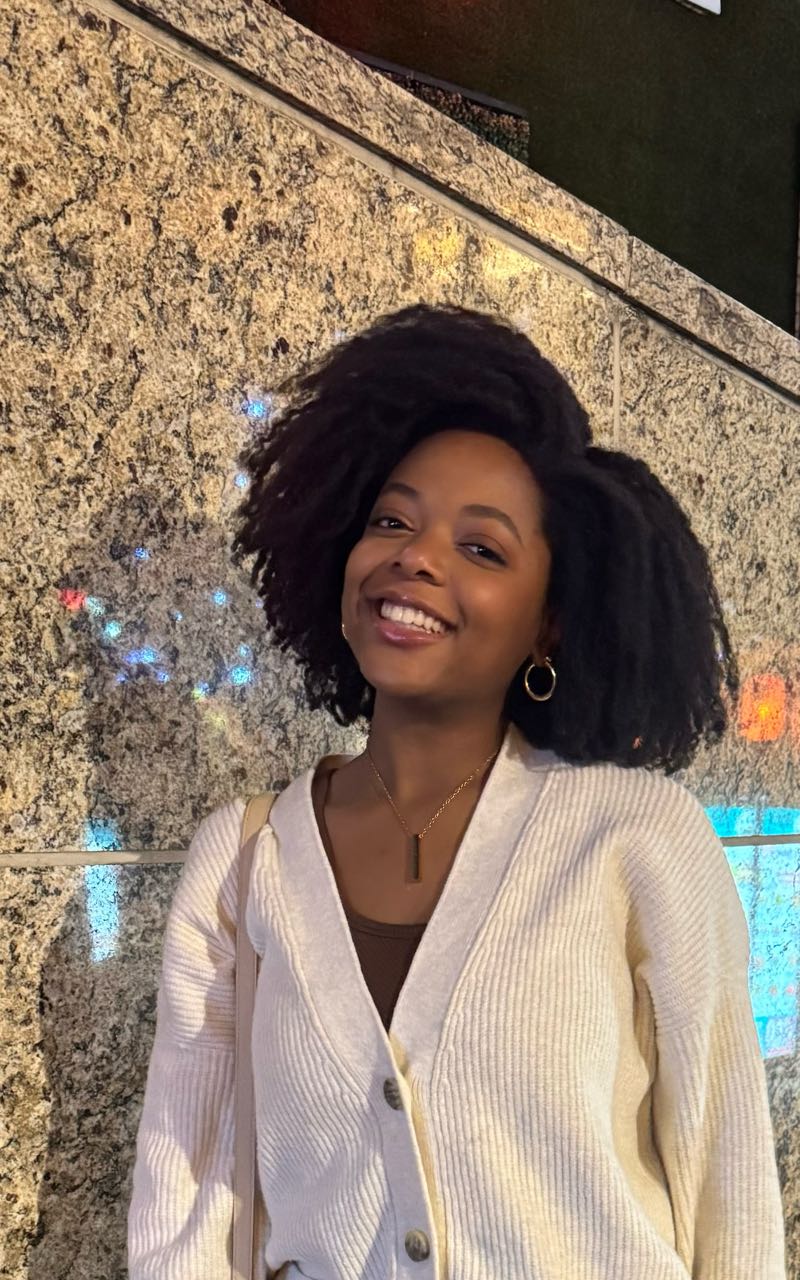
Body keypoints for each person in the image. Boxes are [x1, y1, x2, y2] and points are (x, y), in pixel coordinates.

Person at [128, 303, 786, 1279]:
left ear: (549, 621)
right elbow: (187, 1205)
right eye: (390, 520)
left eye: (482, 548)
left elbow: (728, 1200)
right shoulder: (241, 860)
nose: (415, 555)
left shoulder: (636, 837)